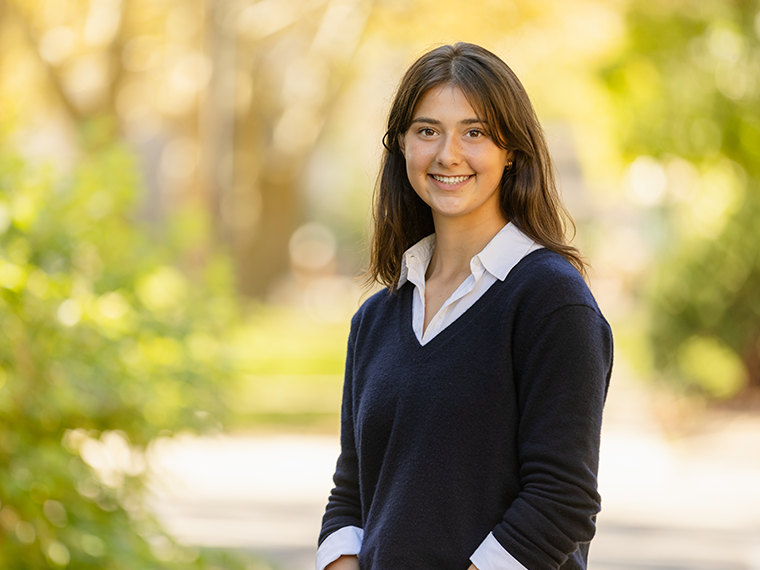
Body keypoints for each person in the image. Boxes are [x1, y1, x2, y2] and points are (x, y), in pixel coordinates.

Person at [316, 42, 613, 570]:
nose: (448, 154)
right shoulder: (376, 319)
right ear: (401, 147)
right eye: (427, 130)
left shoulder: (551, 301)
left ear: (511, 151)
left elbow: (562, 499)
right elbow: (352, 495)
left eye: (474, 132)